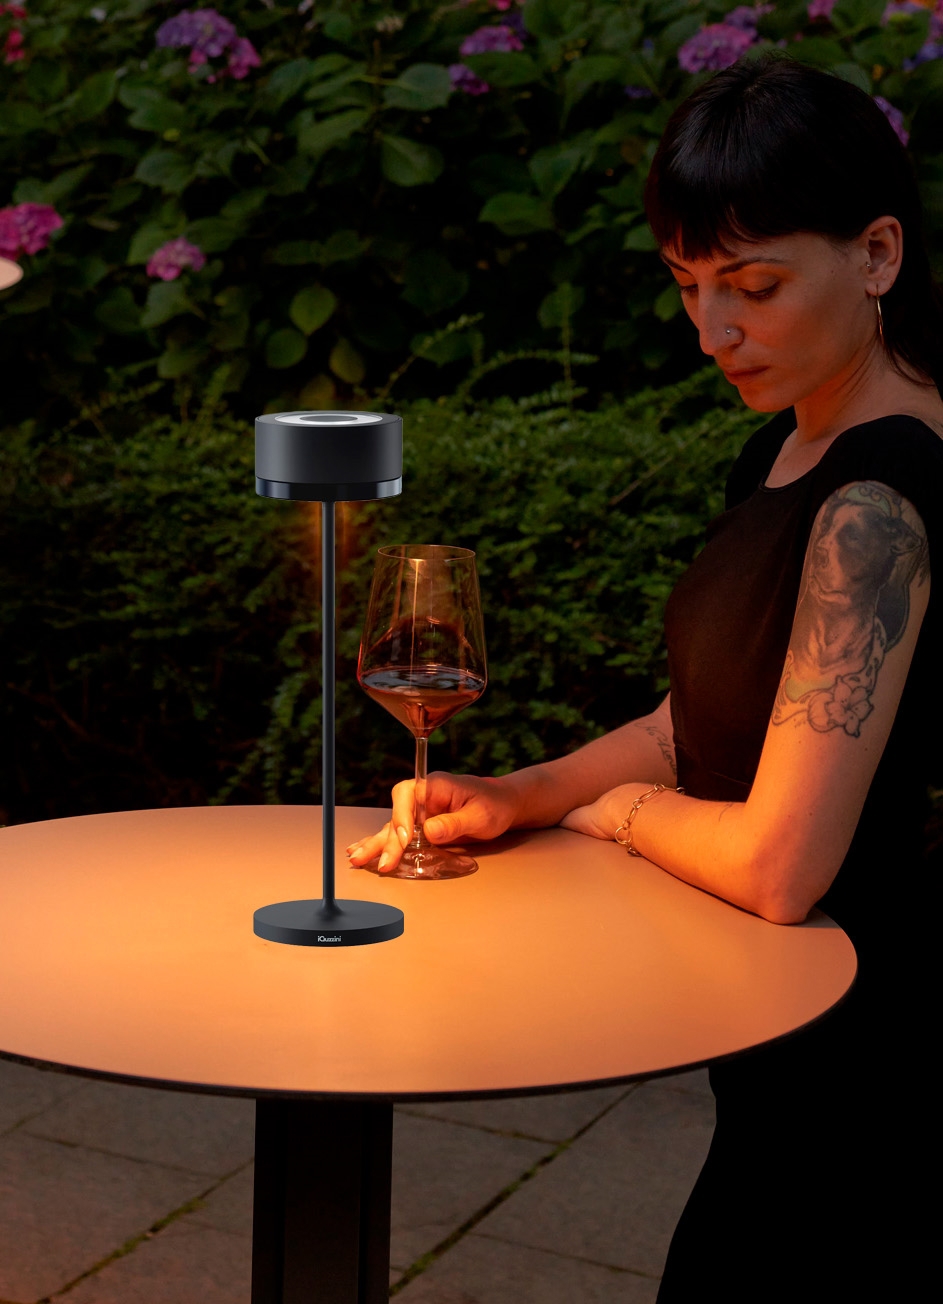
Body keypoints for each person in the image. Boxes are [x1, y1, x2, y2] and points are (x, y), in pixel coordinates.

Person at [348, 54, 942, 1298]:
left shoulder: (876, 503)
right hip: (786, 1041)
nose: (712, 330)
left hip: (868, 1071)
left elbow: (780, 864)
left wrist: (611, 813)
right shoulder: (782, 451)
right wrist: (523, 791)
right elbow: (708, 719)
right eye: (686, 285)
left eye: (753, 286)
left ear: (878, 254)